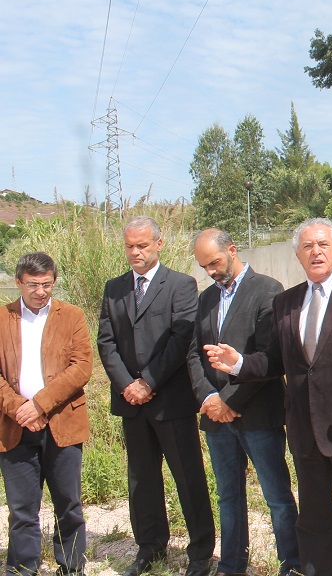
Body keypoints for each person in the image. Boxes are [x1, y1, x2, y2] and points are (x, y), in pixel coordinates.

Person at [205, 217, 332, 576]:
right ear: (298, 255)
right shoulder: (285, 302)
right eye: (307, 246)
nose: (315, 251)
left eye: (323, 245)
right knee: (314, 521)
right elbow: (273, 359)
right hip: (304, 430)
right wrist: (238, 363)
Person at [97, 216, 215, 576]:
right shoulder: (114, 288)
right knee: (142, 479)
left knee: (188, 477)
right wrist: (127, 385)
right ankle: (150, 547)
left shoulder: (180, 285)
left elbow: (182, 341)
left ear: (158, 244)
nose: (135, 252)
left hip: (171, 402)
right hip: (132, 404)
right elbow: (106, 342)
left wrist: (147, 382)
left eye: (142, 245)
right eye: (130, 246)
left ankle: (200, 553)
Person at [186, 228, 300, 576]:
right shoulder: (206, 299)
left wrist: (228, 400)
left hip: (258, 415)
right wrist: (209, 398)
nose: (210, 272)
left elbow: (269, 356)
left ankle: (291, 566)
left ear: (232, 250)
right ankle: (232, 565)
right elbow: (193, 355)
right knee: (227, 497)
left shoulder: (268, 290)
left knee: (277, 497)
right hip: (217, 419)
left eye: (215, 263)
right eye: (204, 266)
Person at [0, 252, 92, 575]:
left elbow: (81, 367)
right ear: (18, 283)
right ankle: (23, 567)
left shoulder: (72, 316)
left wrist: (39, 404)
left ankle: (71, 567)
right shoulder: (1, 318)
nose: (41, 291)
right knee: (22, 508)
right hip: (15, 426)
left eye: (47, 284)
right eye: (33, 285)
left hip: (62, 423)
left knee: (68, 504)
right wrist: (20, 409)